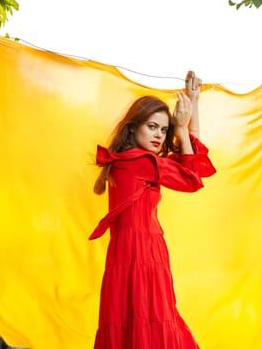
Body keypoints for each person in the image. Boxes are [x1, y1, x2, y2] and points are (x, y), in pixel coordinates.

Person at [89, 71, 216, 349]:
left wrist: (193, 105)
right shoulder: (139, 161)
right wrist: (181, 127)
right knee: (149, 324)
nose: (159, 135)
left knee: (143, 324)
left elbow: (189, 162)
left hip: (139, 253)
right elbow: (192, 179)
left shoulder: (136, 162)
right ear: (133, 128)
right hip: (140, 255)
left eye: (163, 129)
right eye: (152, 127)